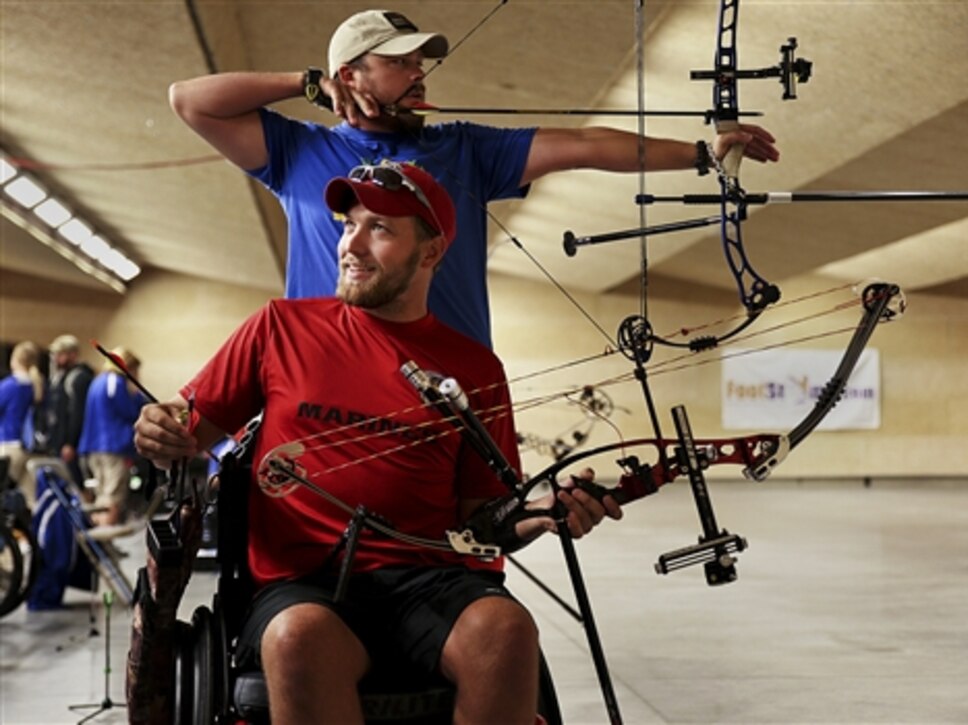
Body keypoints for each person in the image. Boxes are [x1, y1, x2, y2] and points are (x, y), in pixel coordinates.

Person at [133, 162, 622, 724]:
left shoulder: (475, 368)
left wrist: (538, 514)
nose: (352, 245)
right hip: (303, 585)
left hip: (431, 582)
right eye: (349, 225)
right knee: (298, 638)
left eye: (381, 230)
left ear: (432, 252)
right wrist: (158, 431)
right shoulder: (279, 327)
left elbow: (481, 520)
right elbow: (184, 430)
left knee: (507, 631)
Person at [169, 8, 780, 349]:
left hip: (449, 381)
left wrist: (702, 151)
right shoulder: (298, 151)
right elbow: (189, 100)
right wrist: (304, 82)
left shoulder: (461, 148)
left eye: (421, 61)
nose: (419, 72)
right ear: (349, 75)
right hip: (327, 378)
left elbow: (585, 145)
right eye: (399, 61)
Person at [78, 347, 146, 526]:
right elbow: (131, 412)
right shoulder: (115, 382)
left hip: (94, 446)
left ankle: (101, 538)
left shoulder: (97, 381)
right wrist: (135, 393)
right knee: (113, 496)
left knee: (102, 496)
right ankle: (105, 542)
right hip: (114, 446)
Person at [35, 334, 93, 488]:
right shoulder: (58, 379)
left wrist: (71, 443)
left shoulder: (79, 378)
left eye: (60, 354)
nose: (56, 359)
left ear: (73, 355)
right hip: (57, 442)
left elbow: (78, 413)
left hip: (71, 445)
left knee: (77, 484)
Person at [0, 341, 44, 501]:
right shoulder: (36, 385)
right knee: (30, 495)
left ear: (15, 360)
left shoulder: (10, 386)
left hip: (8, 444)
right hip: (26, 446)